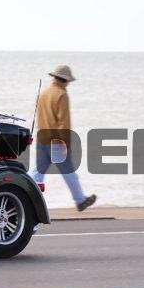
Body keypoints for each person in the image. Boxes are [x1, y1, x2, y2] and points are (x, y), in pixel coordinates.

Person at [30, 65, 96, 211]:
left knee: (37, 173)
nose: (69, 84)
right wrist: (66, 143)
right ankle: (80, 201)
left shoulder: (43, 93)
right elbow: (63, 122)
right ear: (65, 80)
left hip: (41, 139)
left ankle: (27, 198)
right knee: (69, 172)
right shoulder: (61, 95)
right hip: (56, 142)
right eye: (68, 81)